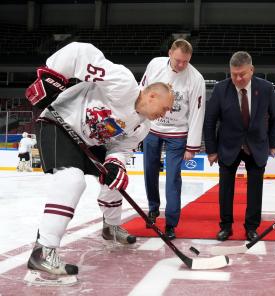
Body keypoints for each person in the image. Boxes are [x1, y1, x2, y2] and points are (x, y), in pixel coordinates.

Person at [23, 42, 174, 284]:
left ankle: (110, 227)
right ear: (152, 95)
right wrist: (51, 76)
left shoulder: (143, 126)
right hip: (58, 123)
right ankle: (43, 250)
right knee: (71, 180)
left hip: (87, 140)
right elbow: (79, 52)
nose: (165, 114)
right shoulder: (124, 84)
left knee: (115, 180)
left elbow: (120, 147)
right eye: (165, 108)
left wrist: (115, 163)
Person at [204, 51, 275, 241]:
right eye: (234, 74)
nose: (238, 78)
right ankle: (226, 226)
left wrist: (272, 144)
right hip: (228, 146)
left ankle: (251, 227)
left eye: (242, 74)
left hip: (257, 145)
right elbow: (210, 120)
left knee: (255, 190)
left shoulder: (266, 88)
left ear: (252, 70)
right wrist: (212, 150)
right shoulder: (221, 89)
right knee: (225, 190)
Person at [139, 39, 205, 240]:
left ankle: (171, 223)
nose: (181, 65)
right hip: (153, 127)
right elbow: (141, 93)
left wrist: (191, 146)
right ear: (169, 53)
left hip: (178, 133)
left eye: (185, 61)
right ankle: (153, 209)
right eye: (178, 60)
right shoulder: (155, 65)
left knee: (173, 178)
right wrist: (138, 127)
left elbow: (197, 112)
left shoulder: (196, 79)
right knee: (150, 170)